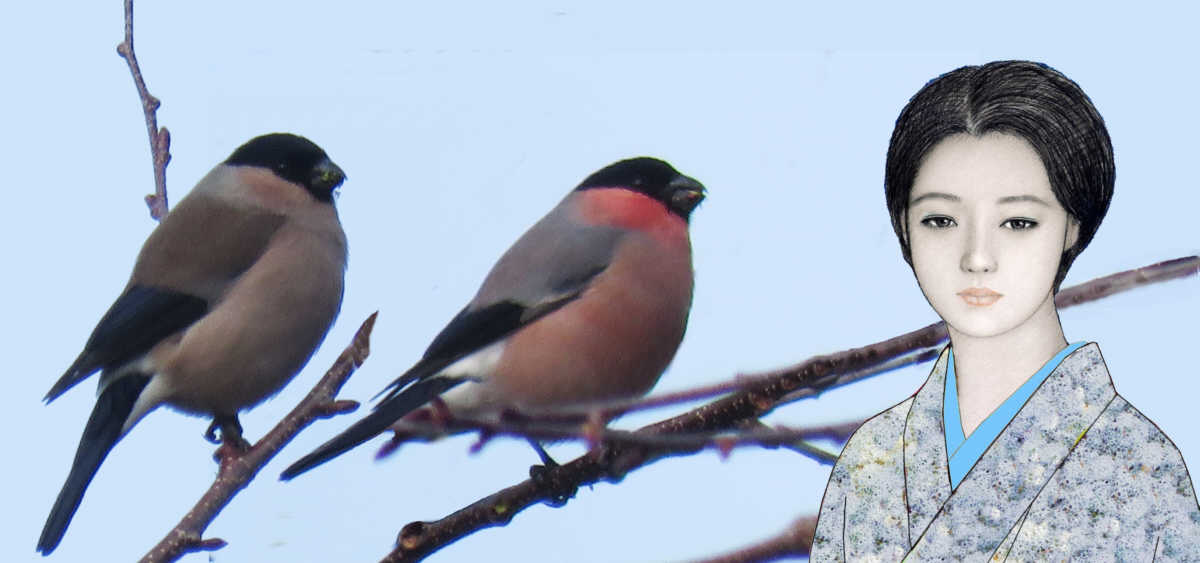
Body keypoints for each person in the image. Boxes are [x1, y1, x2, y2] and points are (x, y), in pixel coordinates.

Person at [810, 61, 1200, 561]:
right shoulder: (872, 460)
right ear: (904, 226)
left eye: (1017, 222)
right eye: (940, 220)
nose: (977, 257)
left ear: (1073, 226)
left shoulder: (1142, 469)